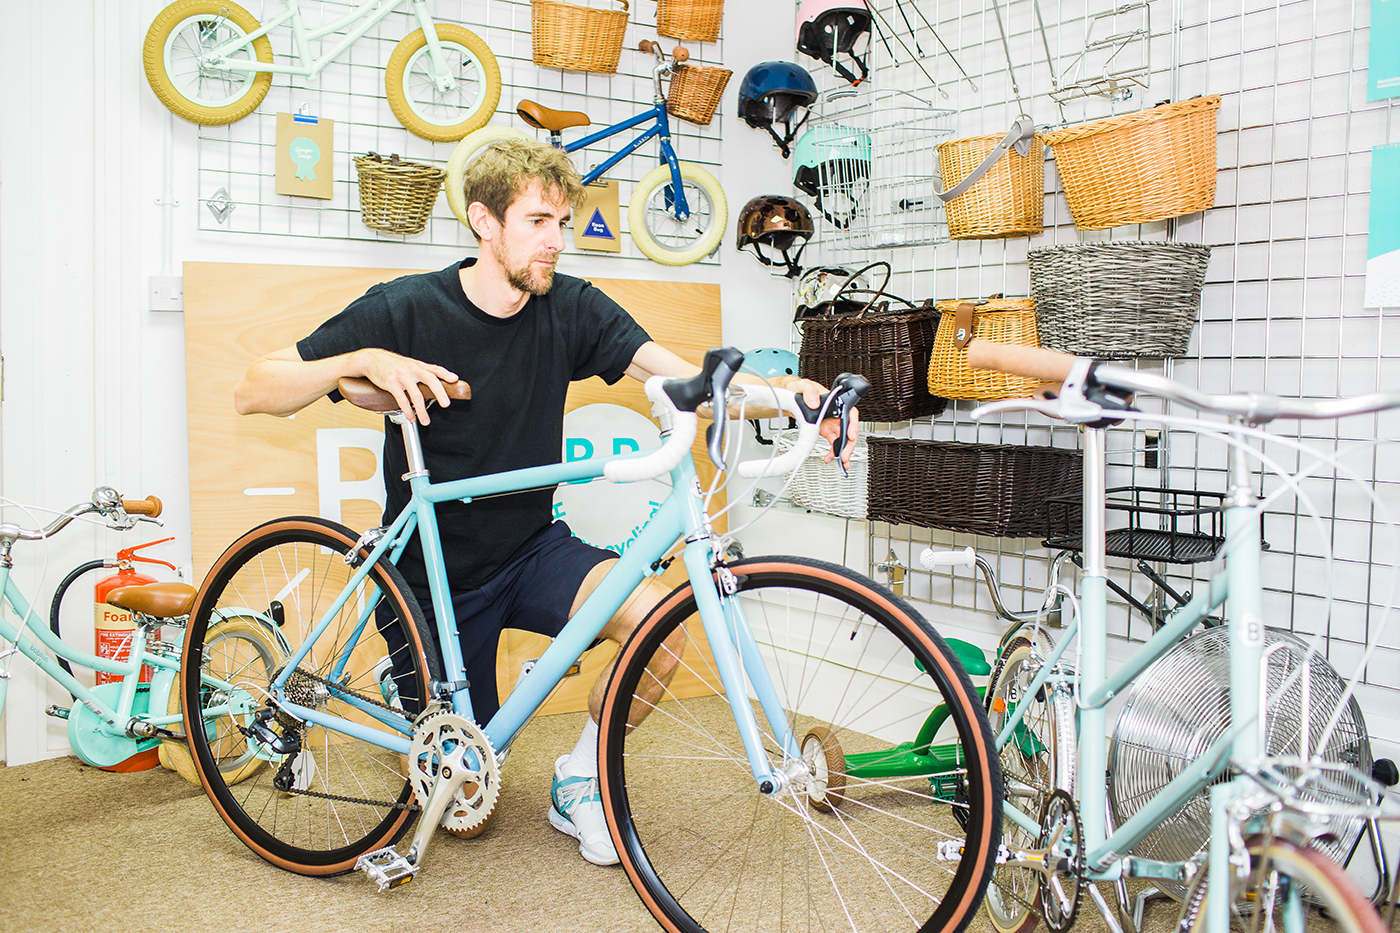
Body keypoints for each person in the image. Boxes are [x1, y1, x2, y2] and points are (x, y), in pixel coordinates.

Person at [234, 138, 856, 867]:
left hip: (530, 547)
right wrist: (358, 360)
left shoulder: (568, 306)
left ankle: (580, 779)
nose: (556, 241)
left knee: (658, 622)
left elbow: (685, 377)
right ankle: (408, 679)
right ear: (484, 222)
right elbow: (253, 388)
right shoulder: (408, 306)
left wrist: (789, 399)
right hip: (433, 577)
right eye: (537, 221)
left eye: (562, 221)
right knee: (466, 788)